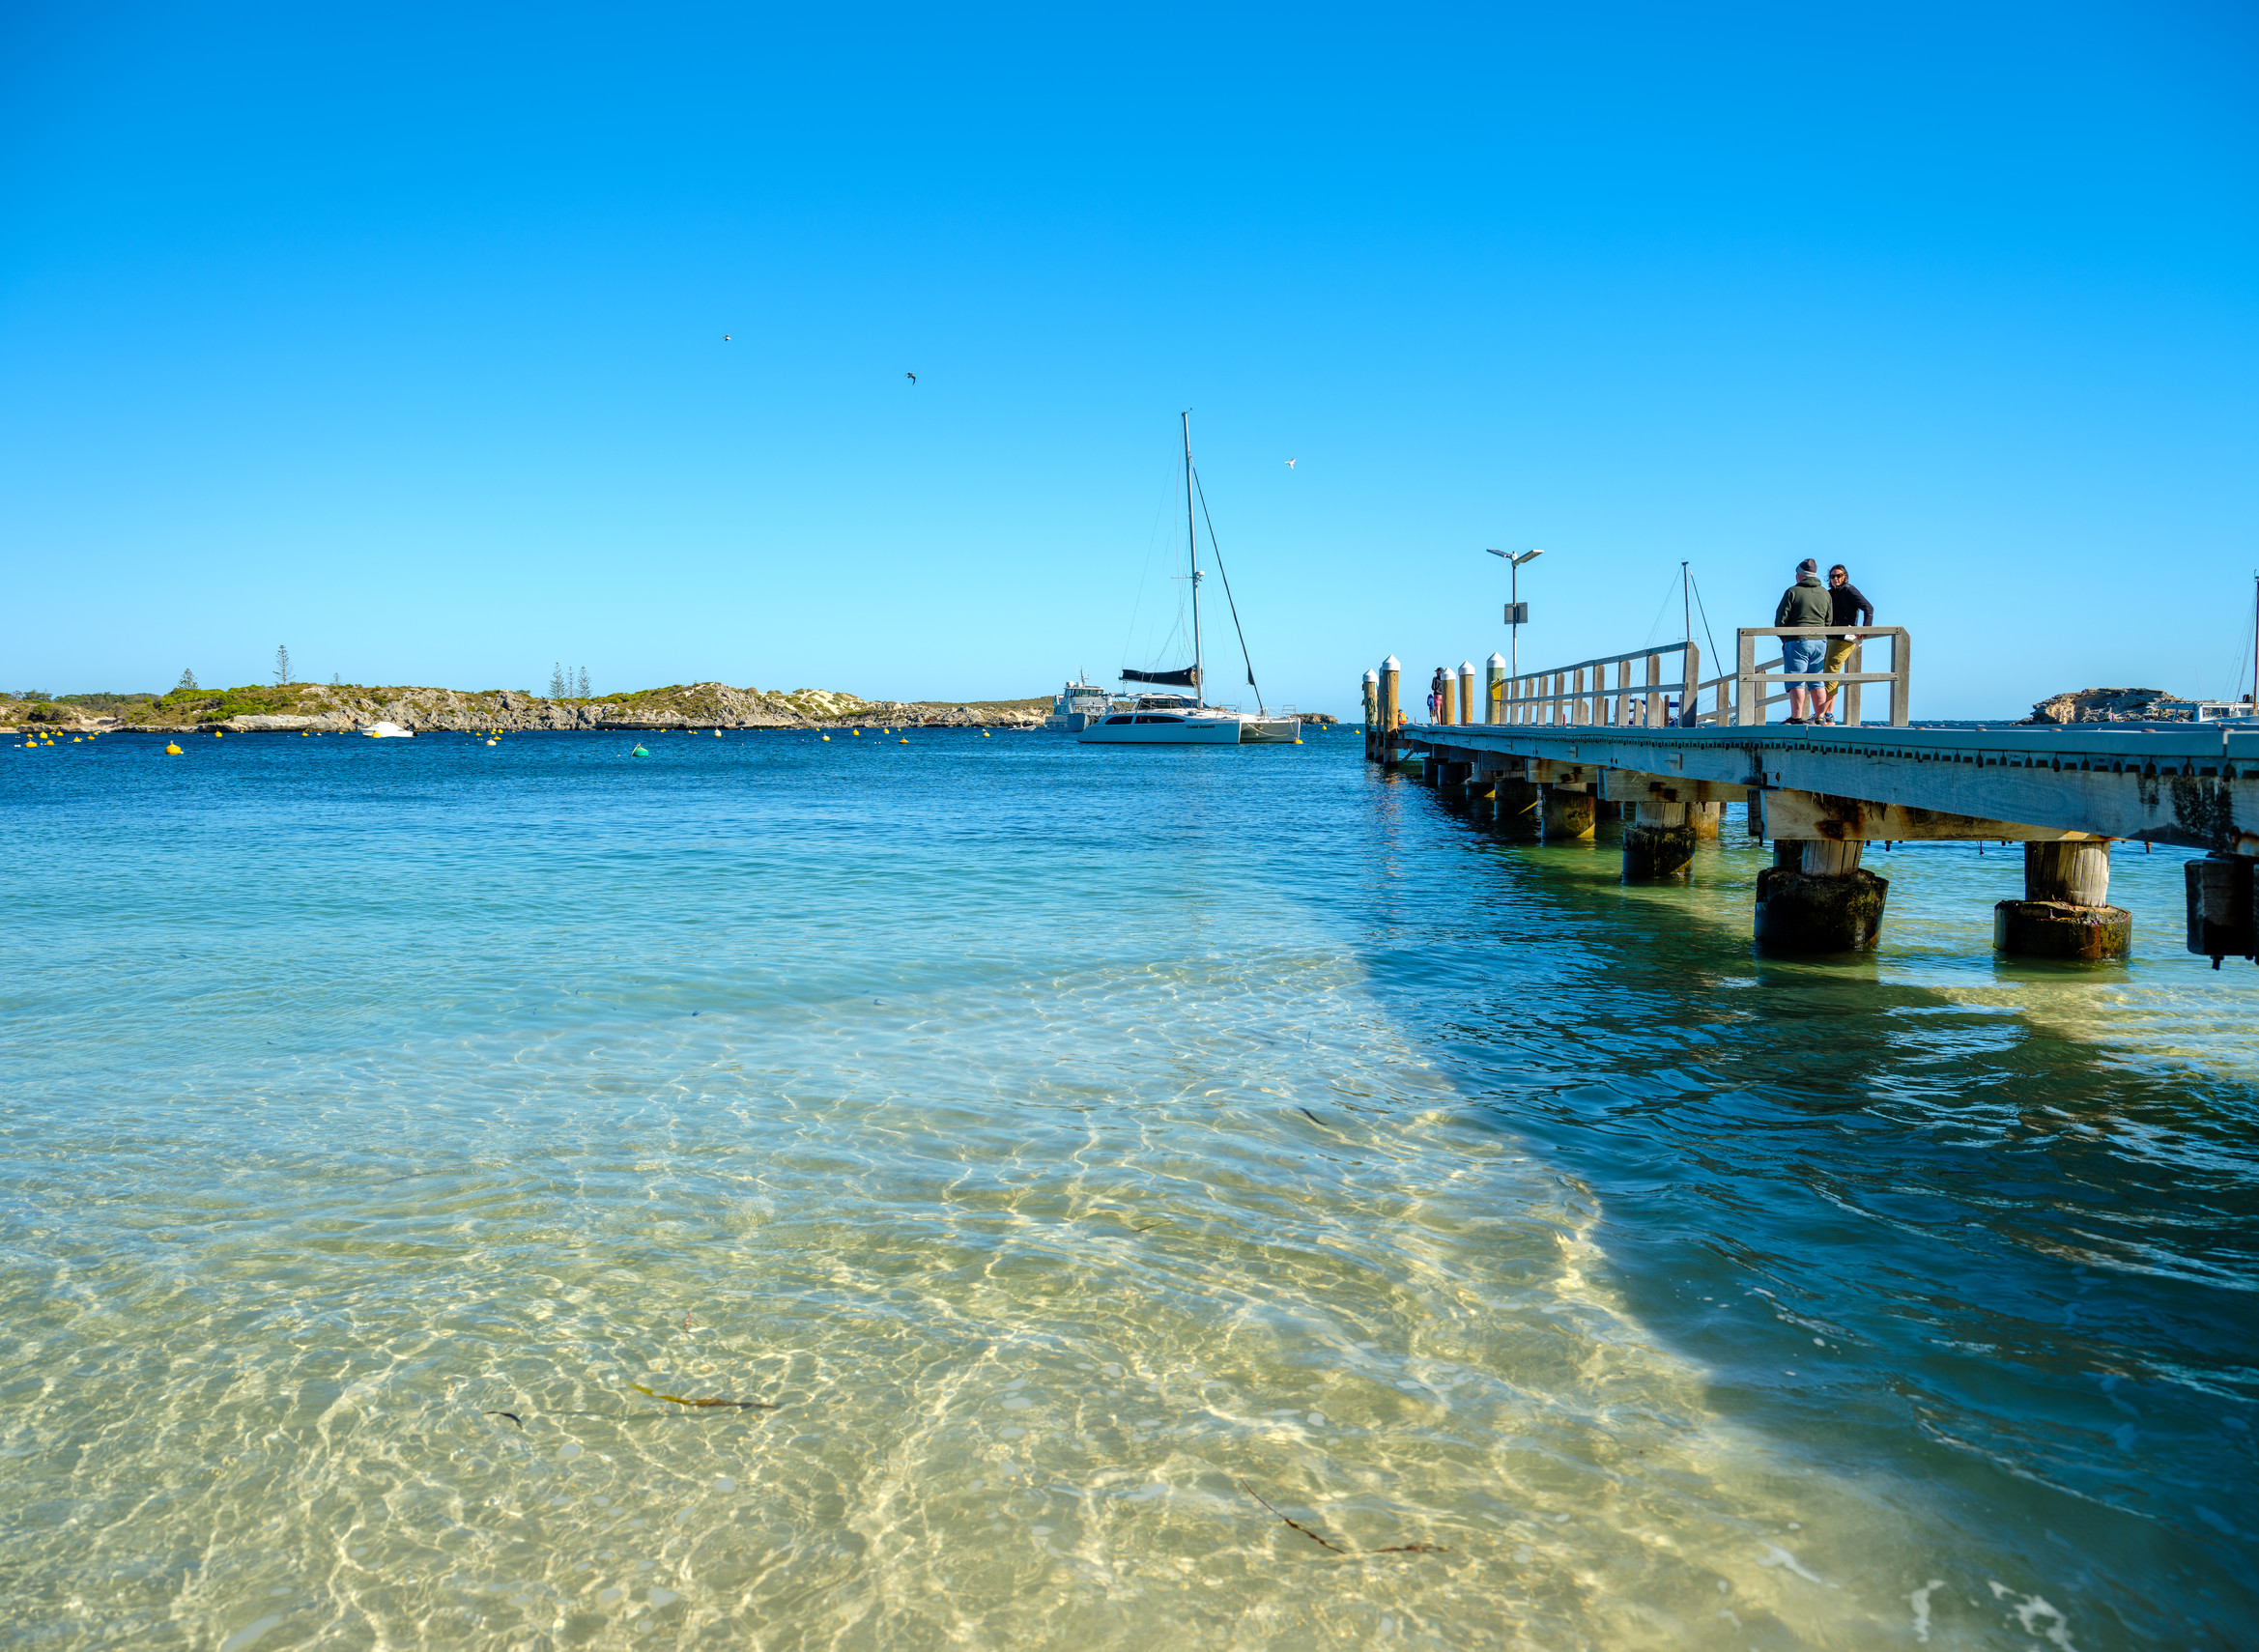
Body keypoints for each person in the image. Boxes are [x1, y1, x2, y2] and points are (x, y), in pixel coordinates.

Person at [1773, 558, 1833, 723]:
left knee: (1796, 680)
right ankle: (1820, 717)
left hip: (1798, 640)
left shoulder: (1792, 591)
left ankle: (1796, 717)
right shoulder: (1825, 593)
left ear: (1800, 575)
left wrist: (1786, 638)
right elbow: (1829, 620)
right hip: (1820, 642)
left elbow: (1780, 620)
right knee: (1817, 680)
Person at [1815, 563, 1874, 726]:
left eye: (1839, 576)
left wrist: (1865, 629)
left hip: (1846, 638)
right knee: (1828, 672)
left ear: (1845, 576)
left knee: (1831, 672)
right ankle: (1828, 714)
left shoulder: (1849, 590)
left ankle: (1823, 714)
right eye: (1833, 576)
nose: (1836, 579)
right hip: (1831, 637)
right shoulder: (1829, 594)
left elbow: (1868, 607)